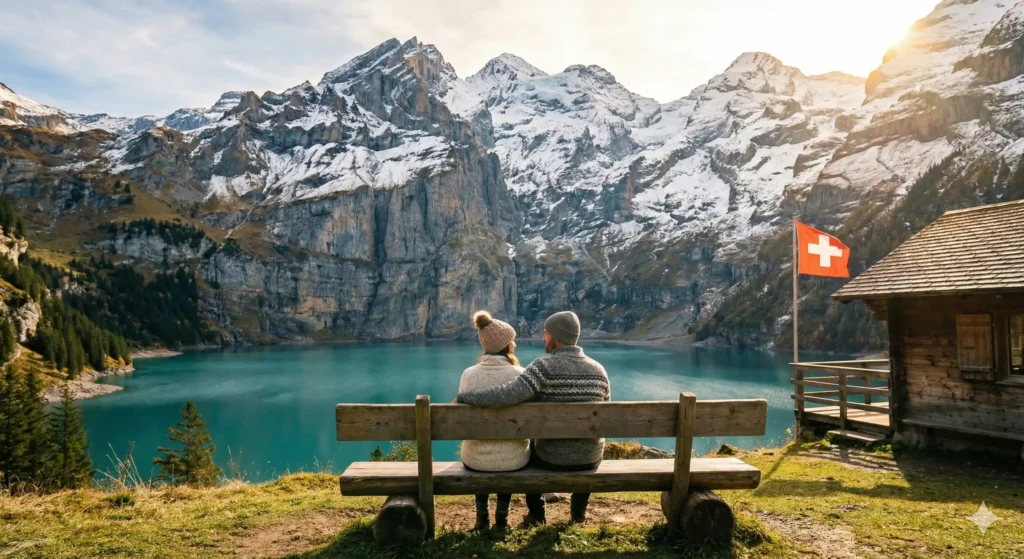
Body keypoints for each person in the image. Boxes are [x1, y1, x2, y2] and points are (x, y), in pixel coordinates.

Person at [457, 310, 610, 526]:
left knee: (532, 454)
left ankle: (537, 515)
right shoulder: (599, 371)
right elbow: (604, 415)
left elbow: (507, 395)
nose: (542, 338)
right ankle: (578, 514)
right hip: (590, 458)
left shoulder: (542, 367)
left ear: (556, 337)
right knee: (578, 448)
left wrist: (466, 397)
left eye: (546, 333)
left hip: (551, 457)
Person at [457, 311, 530, 531]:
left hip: (475, 458)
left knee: (484, 451)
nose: (515, 345)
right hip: (515, 458)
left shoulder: (468, 375)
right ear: (506, 346)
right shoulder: (521, 374)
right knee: (505, 451)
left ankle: (481, 519)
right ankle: (502, 519)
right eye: (512, 341)